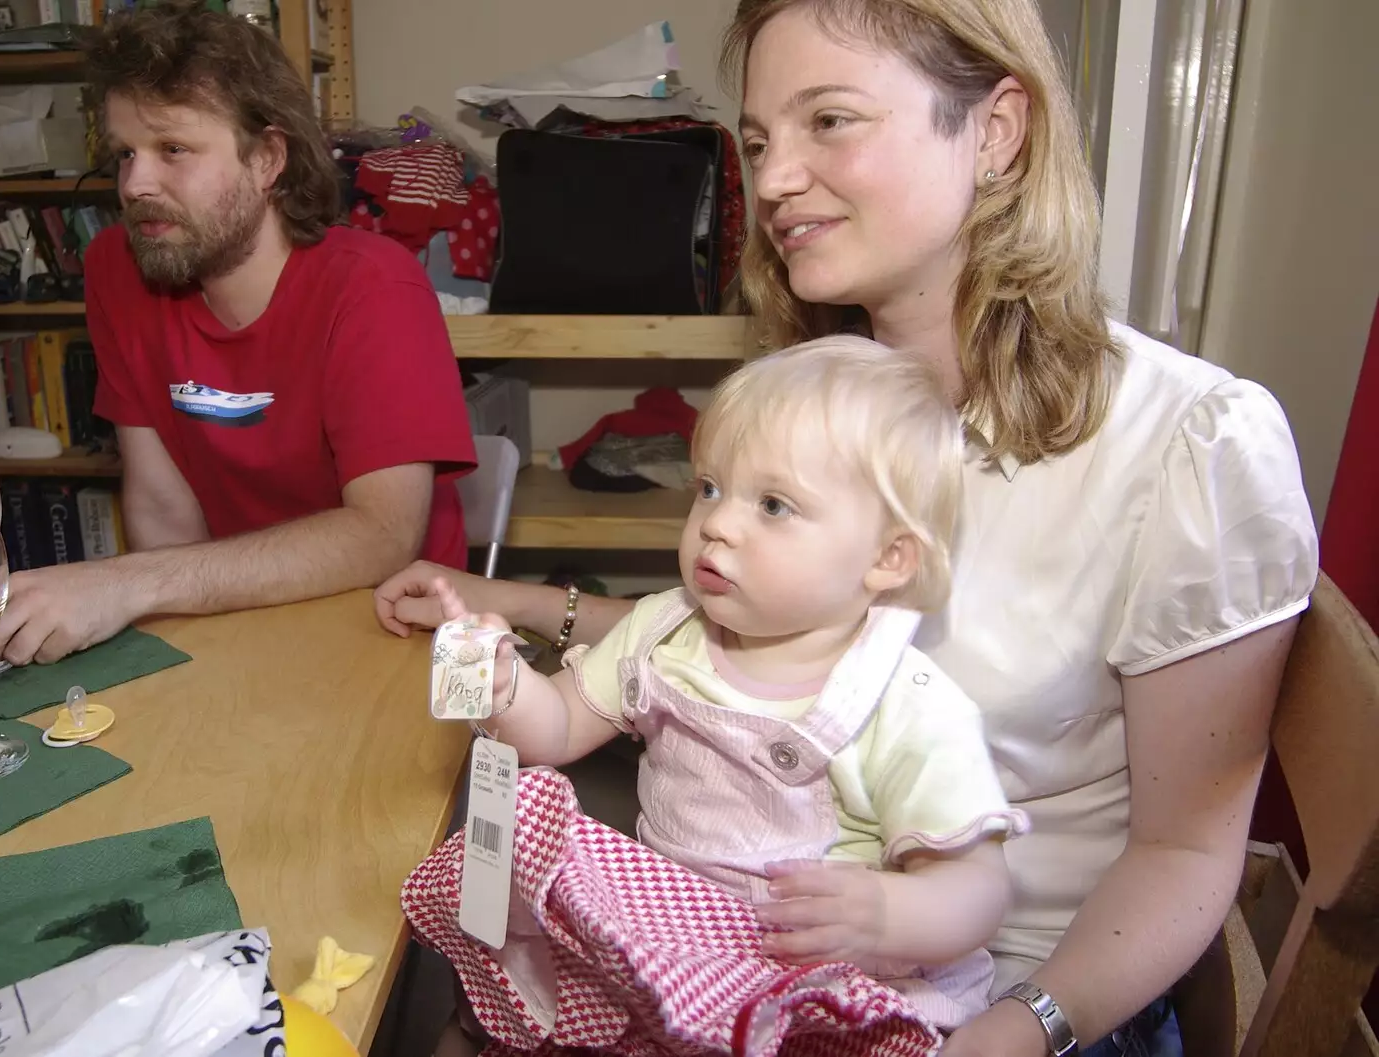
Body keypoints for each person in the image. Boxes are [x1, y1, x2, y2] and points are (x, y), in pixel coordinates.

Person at [376, 1, 1320, 1054]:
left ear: (995, 131)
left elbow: (1187, 856)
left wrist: (1015, 1031)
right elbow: (736, 646)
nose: (773, 180)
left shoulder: (1190, 444)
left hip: (1006, 999)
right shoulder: (818, 398)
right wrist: (513, 606)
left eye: (829, 121)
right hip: (738, 965)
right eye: (759, 140)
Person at [427, 336, 1030, 1035]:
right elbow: (557, 728)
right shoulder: (663, 629)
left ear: (887, 557)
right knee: (526, 833)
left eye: (773, 505)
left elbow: (981, 888)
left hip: (815, 987)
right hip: (671, 957)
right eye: (709, 487)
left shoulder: (903, 702)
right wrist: (509, 687)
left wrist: (889, 914)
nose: (716, 522)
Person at [0, 0, 475, 668]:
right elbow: (162, 506)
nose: (135, 183)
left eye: (173, 150)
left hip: (394, 629)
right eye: (125, 153)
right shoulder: (117, 268)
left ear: (267, 158)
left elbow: (383, 535)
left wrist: (126, 583)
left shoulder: (373, 287)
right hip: (228, 622)